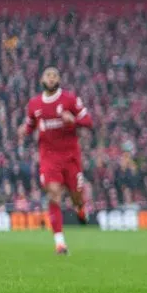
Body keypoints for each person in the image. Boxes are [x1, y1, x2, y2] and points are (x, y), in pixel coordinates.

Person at [17, 67, 93, 255]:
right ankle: (60, 243)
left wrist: (73, 120)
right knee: (53, 194)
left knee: (76, 197)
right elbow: (30, 125)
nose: (51, 79)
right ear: (42, 79)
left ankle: (81, 210)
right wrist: (23, 131)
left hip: (70, 157)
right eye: (48, 76)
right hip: (49, 157)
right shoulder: (34, 104)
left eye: (54, 76)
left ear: (59, 79)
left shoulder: (70, 99)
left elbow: (89, 121)